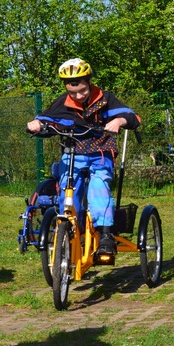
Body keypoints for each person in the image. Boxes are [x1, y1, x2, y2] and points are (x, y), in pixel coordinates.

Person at [26, 58, 141, 255]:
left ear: (89, 82)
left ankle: (105, 234)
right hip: (74, 152)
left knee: (98, 186)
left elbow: (133, 117)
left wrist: (119, 121)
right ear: (66, 87)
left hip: (101, 151)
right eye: (73, 92)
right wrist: (35, 124)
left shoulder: (105, 99)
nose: (78, 95)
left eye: (83, 90)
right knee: (68, 188)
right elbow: (45, 119)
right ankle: (70, 228)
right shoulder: (63, 102)